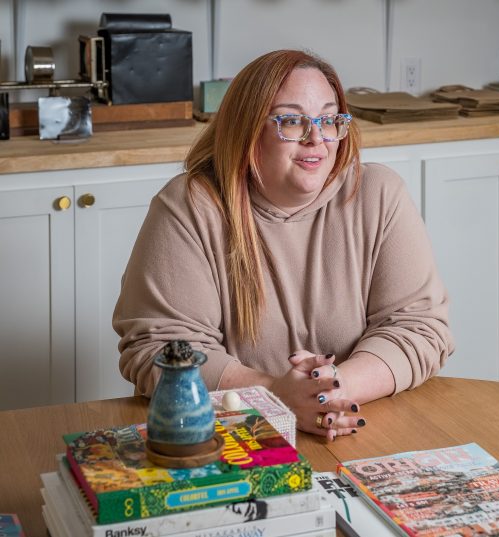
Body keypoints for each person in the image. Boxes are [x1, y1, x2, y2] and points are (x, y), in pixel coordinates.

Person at [113, 49, 454, 441]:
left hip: (356, 424)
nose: (316, 139)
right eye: (292, 121)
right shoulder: (190, 206)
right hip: (229, 435)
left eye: (328, 120)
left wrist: (332, 391)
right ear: (247, 130)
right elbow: (161, 348)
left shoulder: (379, 193)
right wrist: (273, 395)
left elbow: (418, 326)